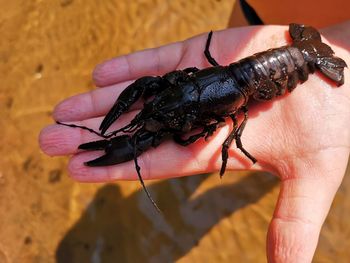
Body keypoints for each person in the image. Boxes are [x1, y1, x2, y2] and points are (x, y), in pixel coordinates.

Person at [39, 11, 349, 262]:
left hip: (278, 65)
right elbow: (160, 89)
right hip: (259, 15)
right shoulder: (182, 88)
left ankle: (313, 55)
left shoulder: (238, 102)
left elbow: (191, 135)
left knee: (182, 137)